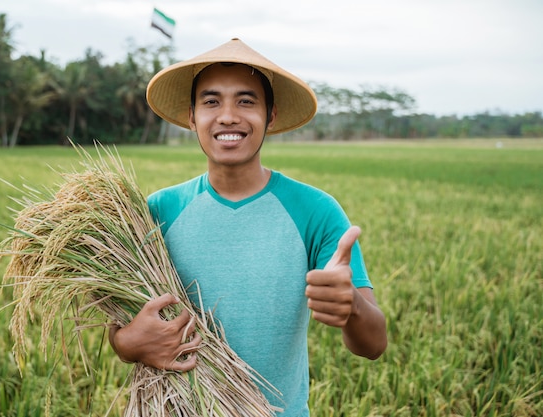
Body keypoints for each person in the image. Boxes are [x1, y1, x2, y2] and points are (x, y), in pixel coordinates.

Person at [109, 38, 387, 416]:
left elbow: (373, 344)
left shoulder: (315, 211)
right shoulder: (157, 211)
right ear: (192, 116)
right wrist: (127, 345)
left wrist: (351, 304)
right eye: (211, 102)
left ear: (270, 116)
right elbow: (122, 328)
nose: (227, 116)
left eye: (246, 101)